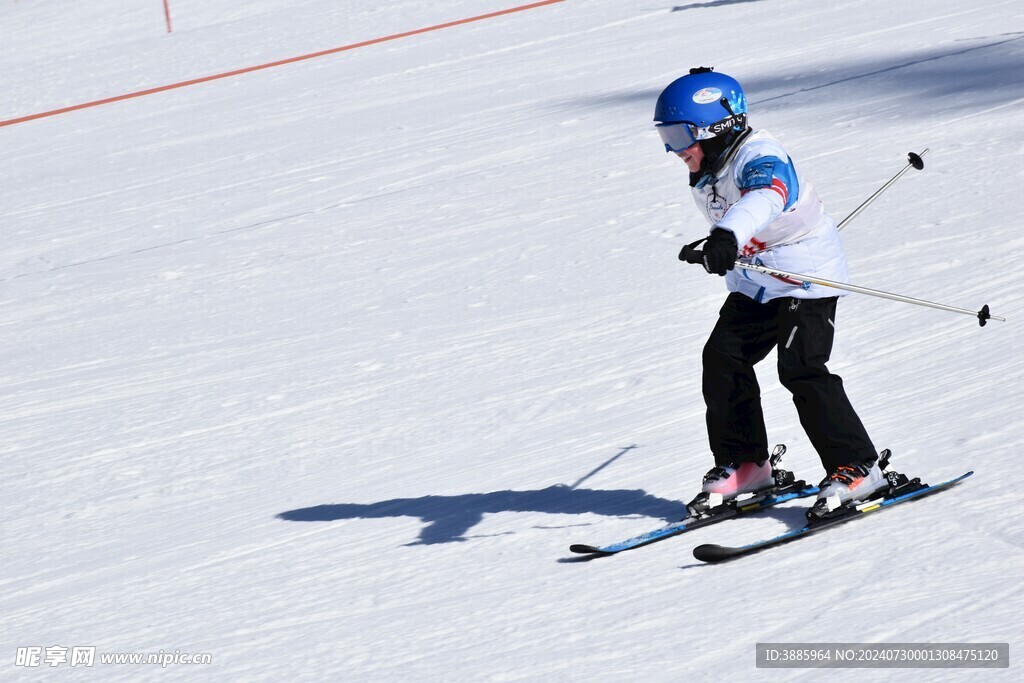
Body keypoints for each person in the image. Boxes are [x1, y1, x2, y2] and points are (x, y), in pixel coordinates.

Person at [653, 67, 887, 516]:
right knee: (723, 359)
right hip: (757, 282)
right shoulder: (711, 163)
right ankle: (746, 465)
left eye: (680, 135)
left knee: (801, 369)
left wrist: (727, 235)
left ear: (716, 128)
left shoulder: (761, 155)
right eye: (666, 135)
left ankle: (858, 467)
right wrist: (716, 245)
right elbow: (735, 212)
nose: (673, 149)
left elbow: (765, 197)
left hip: (805, 276)